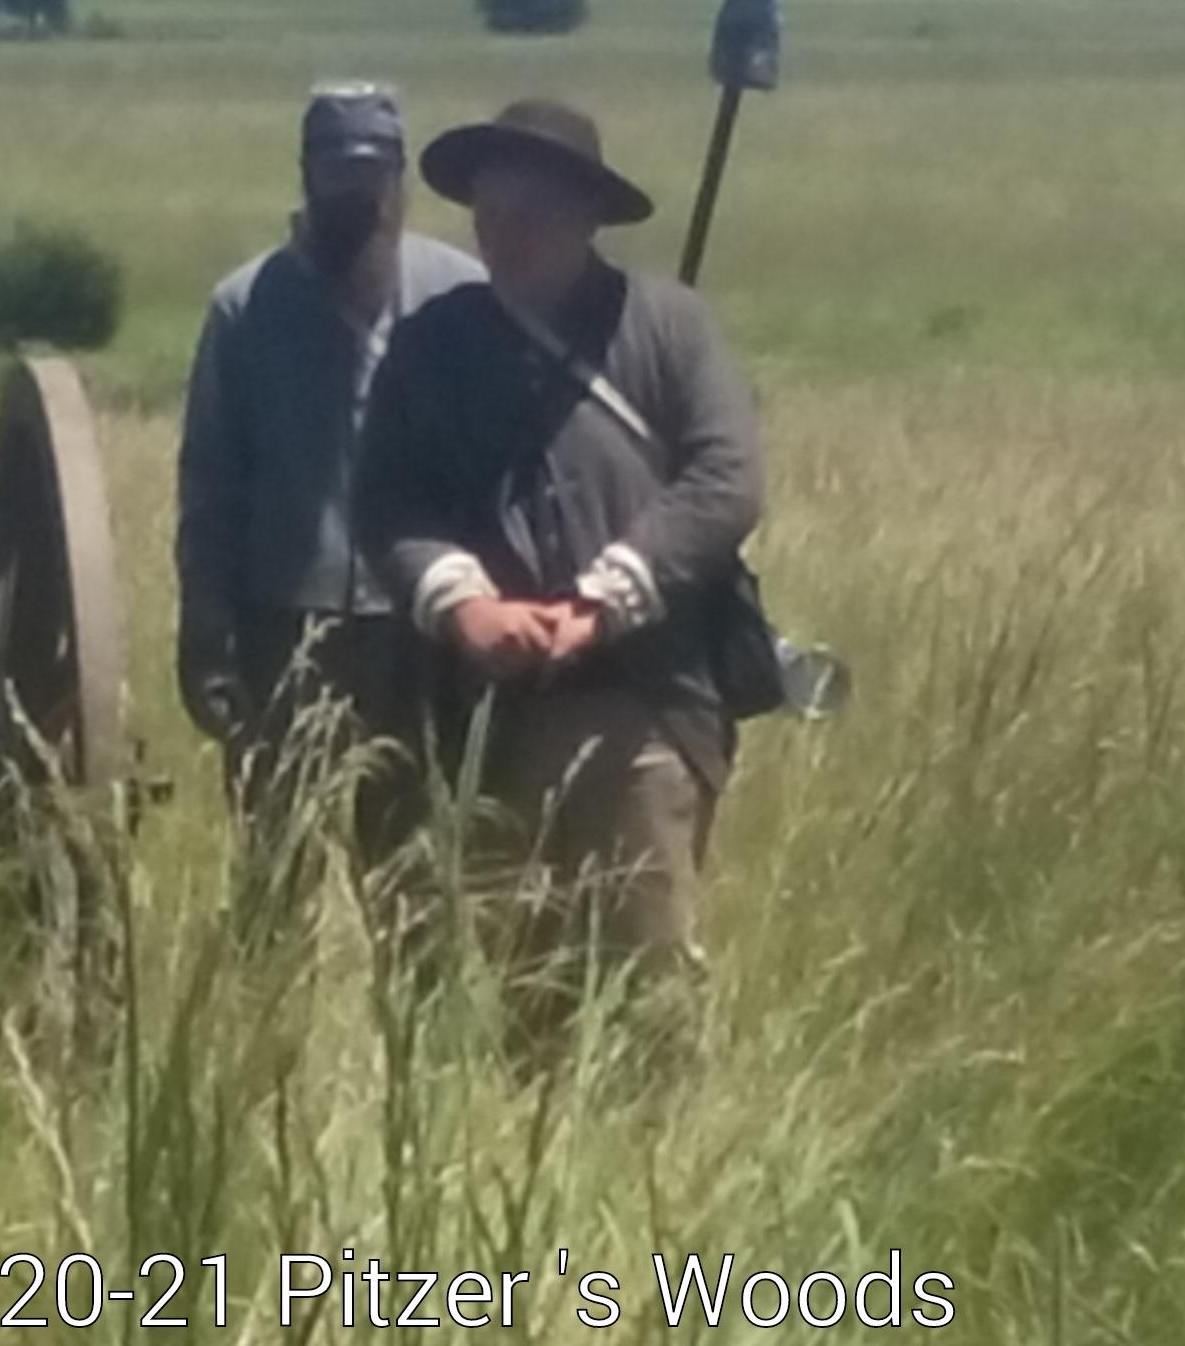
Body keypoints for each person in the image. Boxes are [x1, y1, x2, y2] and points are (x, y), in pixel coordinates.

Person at [356, 98, 764, 1034]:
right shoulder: (431, 346)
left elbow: (726, 480)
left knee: (648, 983)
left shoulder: (668, 325)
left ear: (586, 219)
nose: (508, 235)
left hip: (641, 698)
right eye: (492, 214)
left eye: (534, 213)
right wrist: (465, 604)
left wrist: (599, 602)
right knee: (526, 990)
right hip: (480, 715)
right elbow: (388, 503)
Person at [175, 84, 481, 918]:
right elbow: (211, 483)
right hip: (283, 630)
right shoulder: (246, 306)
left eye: (374, 172)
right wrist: (205, 630)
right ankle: (269, 1010)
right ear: (306, 173)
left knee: (417, 882)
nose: (359, 192)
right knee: (275, 879)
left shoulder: (460, 293)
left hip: (422, 628)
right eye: (340, 171)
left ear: (400, 177)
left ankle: (420, 1009)